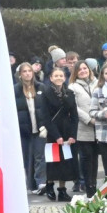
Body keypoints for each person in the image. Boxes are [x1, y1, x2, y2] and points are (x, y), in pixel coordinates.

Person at [36, 67, 79, 201]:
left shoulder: (70, 93)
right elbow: (45, 117)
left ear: (64, 78)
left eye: (61, 75)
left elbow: (75, 116)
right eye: (56, 76)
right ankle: (49, 185)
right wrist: (57, 136)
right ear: (51, 78)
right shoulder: (46, 93)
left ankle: (62, 189)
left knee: (66, 162)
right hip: (53, 132)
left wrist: (73, 135)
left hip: (67, 131)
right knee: (53, 161)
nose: (59, 78)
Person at [13, 62, 46, 193]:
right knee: (27, 157)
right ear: (20, 74)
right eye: (24, 71)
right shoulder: (15, 89)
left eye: (29, 71)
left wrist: (45, 125)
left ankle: (41, 182)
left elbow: (45, 108)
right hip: (23, 129)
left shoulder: (41, 87)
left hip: (39, 128)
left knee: (40, 156)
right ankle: (30, 184)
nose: (27, 73)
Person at [69, 60, 98, 196]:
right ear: (76, 72)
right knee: (86, 158)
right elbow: (75, 108)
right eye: (79, 69)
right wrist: (89, 119)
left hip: (99, 127)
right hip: (83, 127)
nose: (83, 71)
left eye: (85, 68)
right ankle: (88, 187)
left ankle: (94, 184)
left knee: (95, 158)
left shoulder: (97, 83)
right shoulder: (73, 87)